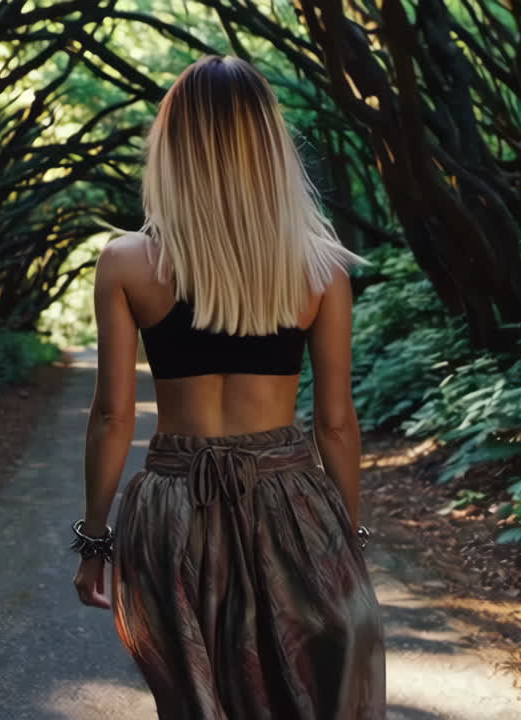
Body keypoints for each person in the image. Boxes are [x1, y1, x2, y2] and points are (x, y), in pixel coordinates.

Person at [69, 55, 386, 719]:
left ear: (174, 146)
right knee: (302, 694)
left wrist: (96, 542)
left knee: (195, 698)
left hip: (171, 509)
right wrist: (348, 540)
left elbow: (112, 418)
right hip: (290, 504)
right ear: (267, 146)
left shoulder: (127, 262)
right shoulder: (320, 266)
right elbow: (334, 423)